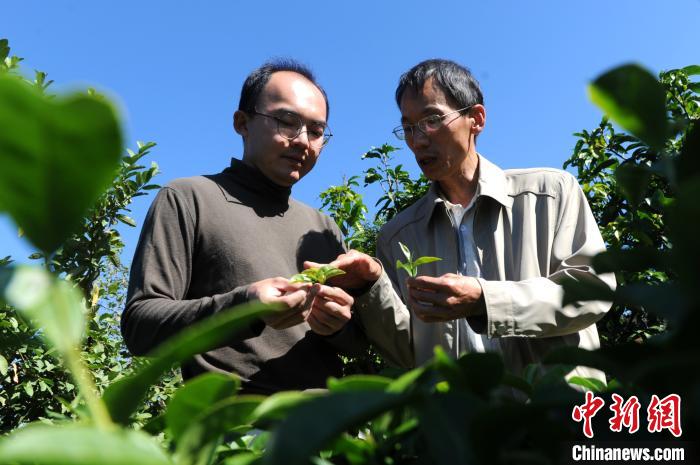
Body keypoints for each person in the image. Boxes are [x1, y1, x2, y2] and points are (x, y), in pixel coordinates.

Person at [325, 59, 615, 381]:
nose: (418, 140)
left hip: (556, 416)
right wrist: (372, 285)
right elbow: (407, 355)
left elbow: (592, 290)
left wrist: (484, 300)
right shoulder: (398, 237)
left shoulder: (550, 194)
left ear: (475, 119)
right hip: (459, 427)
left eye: (432, 120)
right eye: (408, 128)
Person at [121, 59, 366, 395]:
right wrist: (245, 306)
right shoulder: (189, 198)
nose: (303, 141)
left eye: (317, 131)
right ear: (242, 122)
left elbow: (354, 347)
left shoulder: (323, 227)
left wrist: (337, 326)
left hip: (326, 431)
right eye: (287, 121)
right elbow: (140, 327)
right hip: (234, 431)